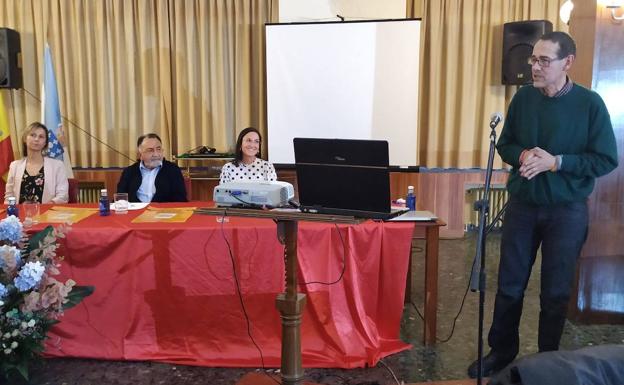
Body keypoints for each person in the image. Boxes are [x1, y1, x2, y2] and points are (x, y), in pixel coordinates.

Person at [467, 31, 618, 378]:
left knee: (554, 291)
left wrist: (557, 162)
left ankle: (548, 360)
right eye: (533, 59)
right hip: (523, 205)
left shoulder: (589, 103)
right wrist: (521, 153)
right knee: (509, 285)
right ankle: (502, 351)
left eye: (543, 61)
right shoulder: (523, 99)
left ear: (567, 62)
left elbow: (605, 160)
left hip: (566, 211)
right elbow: (505, 145)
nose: (534, 67)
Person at [4, 122, 69, 204]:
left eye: (41, 137)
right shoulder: (14, 166)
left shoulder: (57, 166)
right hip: (19, 214)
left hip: (47, 214)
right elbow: (9, 196)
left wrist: (45, 208)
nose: (36, 139)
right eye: (33, 135)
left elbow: (63, 196)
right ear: (25, 139)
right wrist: (11, 214)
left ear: (45, 143)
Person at [117, 133, 187, 202]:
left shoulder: (173, 170)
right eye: (150, 150)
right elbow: (120, 198)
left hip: (163, 211)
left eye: (158, 149)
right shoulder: (129, 171)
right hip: (136, 211)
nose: (156, 154)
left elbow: (180, 200)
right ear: (140, 154)